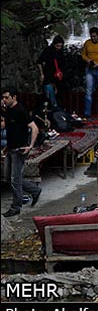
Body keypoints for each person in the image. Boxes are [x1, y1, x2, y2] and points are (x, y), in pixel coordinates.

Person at [1, 86, 42, 217]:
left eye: (7, 97)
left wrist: (30, 146)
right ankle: (35, 190)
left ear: (14, 97)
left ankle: (16, 207)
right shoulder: (8, 111)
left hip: (20, 149)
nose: (4, 100)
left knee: (14, 179)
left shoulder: (21, 111)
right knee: (8, 177)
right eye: (3, 97)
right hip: (10, 148)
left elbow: (34, 128)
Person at [37, 35, 66, 110]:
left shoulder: (61, 52)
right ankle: (52, 107)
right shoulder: (48, 51)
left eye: (60, 46)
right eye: (57, 46)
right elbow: (39, 62)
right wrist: (42, 74)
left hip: (58, 76)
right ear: (54, 44)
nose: (59, 48)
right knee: (49, 93)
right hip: (48, 75)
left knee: (58, 93)